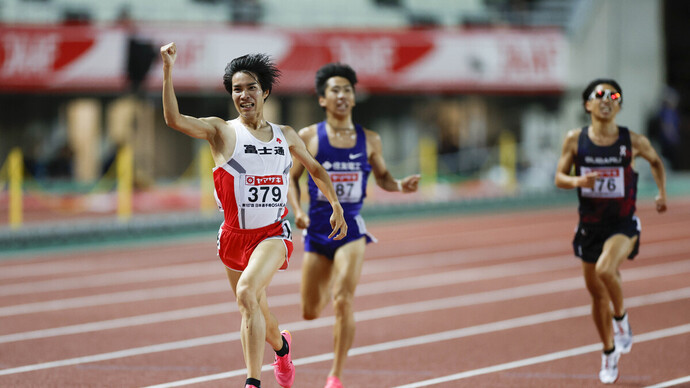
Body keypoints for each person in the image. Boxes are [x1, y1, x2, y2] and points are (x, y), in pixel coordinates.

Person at [160, 42, 347, 388]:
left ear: (265, 92)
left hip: (273, 234)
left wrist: (335, 204)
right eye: (236, 89)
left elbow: (317, 169)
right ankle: (282, 347)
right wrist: (168, 69)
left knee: (247, 292)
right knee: (255, 309)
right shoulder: (221, 131)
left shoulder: (285, 136)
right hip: (233, 238)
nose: (243, 95)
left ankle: (252, 383)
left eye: (250, 88)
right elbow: (173, 119)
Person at [287, 63, 421, 388]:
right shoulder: (309, 137)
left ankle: (336, 374)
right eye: (335, 89)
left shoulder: (370, 140)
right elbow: (291, 179)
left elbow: (384, 178)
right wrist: (297, 212)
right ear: (322, 99)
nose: (342, 95)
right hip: (317, 232)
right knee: (309, 311)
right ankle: (296, 331)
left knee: (343, 298)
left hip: (351, 230)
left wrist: (401, 185)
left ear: (354, 97)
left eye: (347, 89)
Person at [554, 79, 667, 384]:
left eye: (613, 95)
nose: (606, 100)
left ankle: (622, 321)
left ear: (619, 105)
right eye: (599, 95)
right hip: (590, 226)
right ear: (587, 105)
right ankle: (608, 352)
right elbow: (559, 177)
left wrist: (661, 193)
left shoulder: (632, 141)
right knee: (596, 296)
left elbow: (656, 161)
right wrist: (578, 182)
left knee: (607, 270)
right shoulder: (574, 139)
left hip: (622, 223)